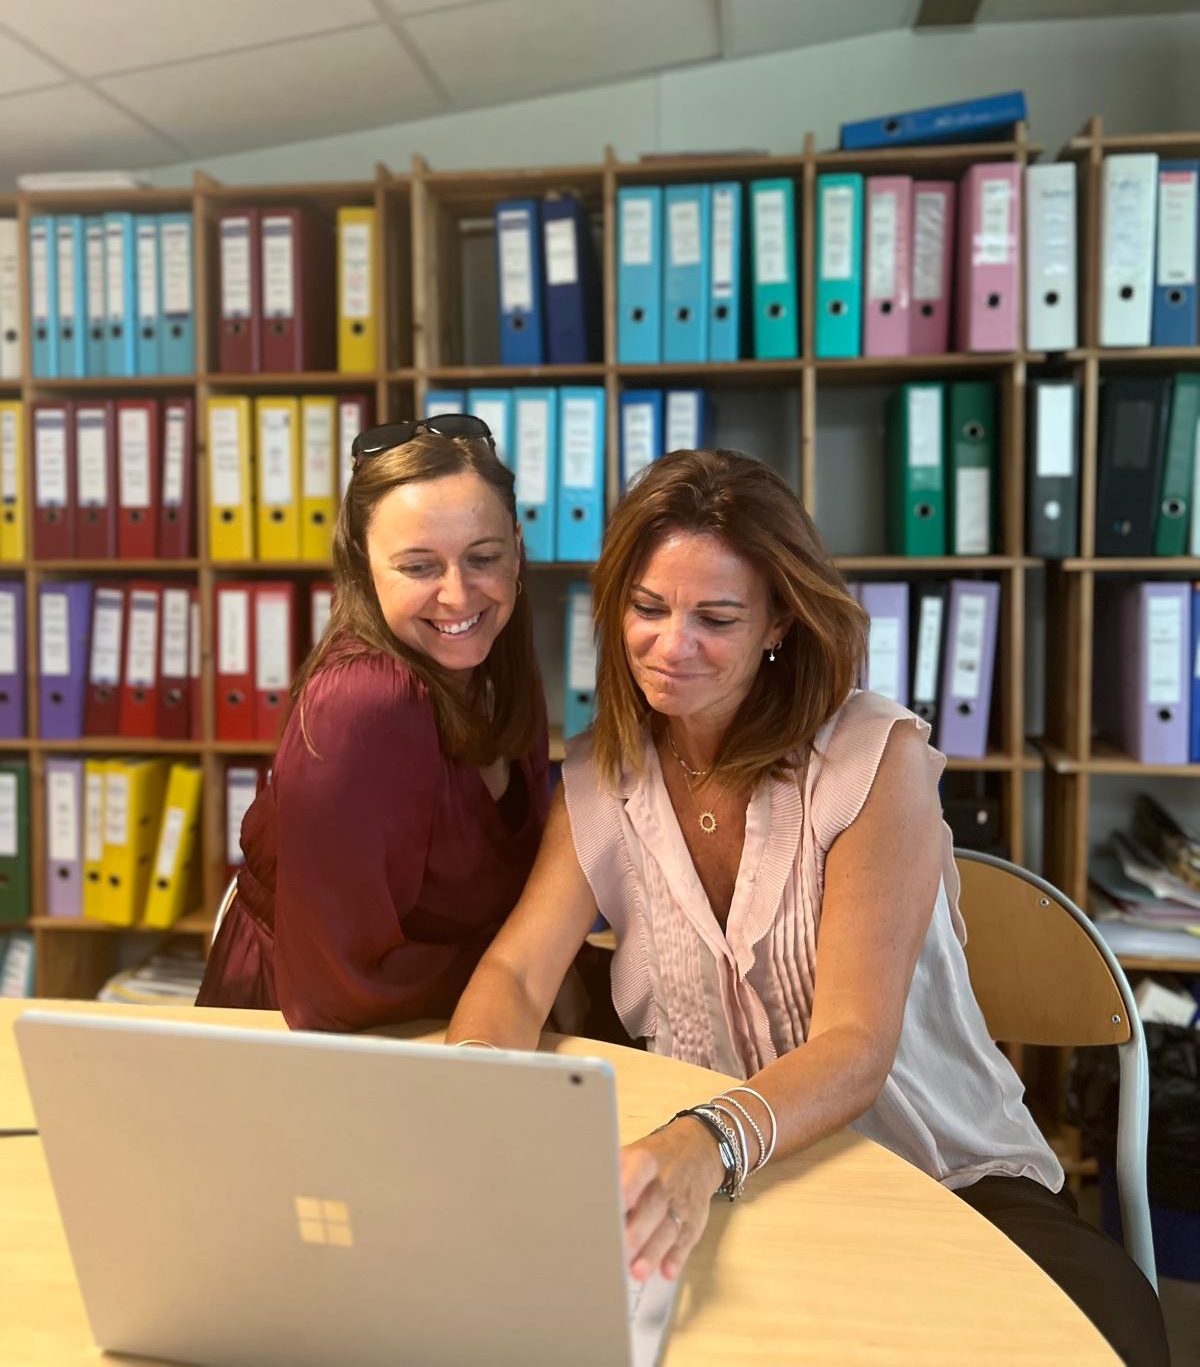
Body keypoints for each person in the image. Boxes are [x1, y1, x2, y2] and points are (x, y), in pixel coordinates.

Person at [447, 447, 1167, 1367]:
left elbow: (855, 1046)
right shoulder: (601, 773)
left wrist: (704, 1143)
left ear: (779, 621)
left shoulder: (871, 758)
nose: (671, 646)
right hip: (742, 1197)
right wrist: (469, 1098)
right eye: (648, 608)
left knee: (1101, 1339)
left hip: (941, 1178)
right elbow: (516, 973)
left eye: (716, 618)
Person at [198, 414, 549, 1032]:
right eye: (419, 567)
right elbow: (339, 994)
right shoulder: (364, 703)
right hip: (303, 1043)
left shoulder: (499, 659)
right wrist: (526, 974)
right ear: (363, 564)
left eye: (483, 557)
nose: (458, 595)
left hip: (441, 1024)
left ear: (517, 548)